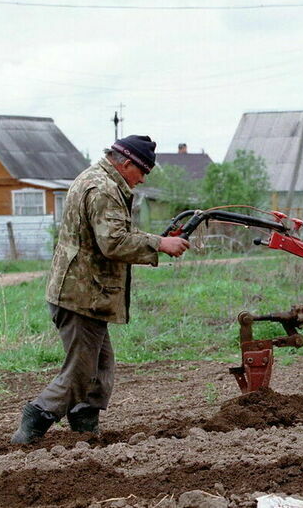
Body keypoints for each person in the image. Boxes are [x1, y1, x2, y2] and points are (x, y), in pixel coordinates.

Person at [11, 135, 189, 444]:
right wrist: (160, 243)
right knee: (81, 372)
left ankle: (85, 428)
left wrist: (153, 240)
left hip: (83, 292)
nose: (142, 180)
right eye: (142, 172)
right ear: (127, 163)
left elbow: (110, 234)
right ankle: (35, 420)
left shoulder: (94, 177)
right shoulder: (105, 190)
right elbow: (114, 242)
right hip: (81, 296)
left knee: (100, 368)